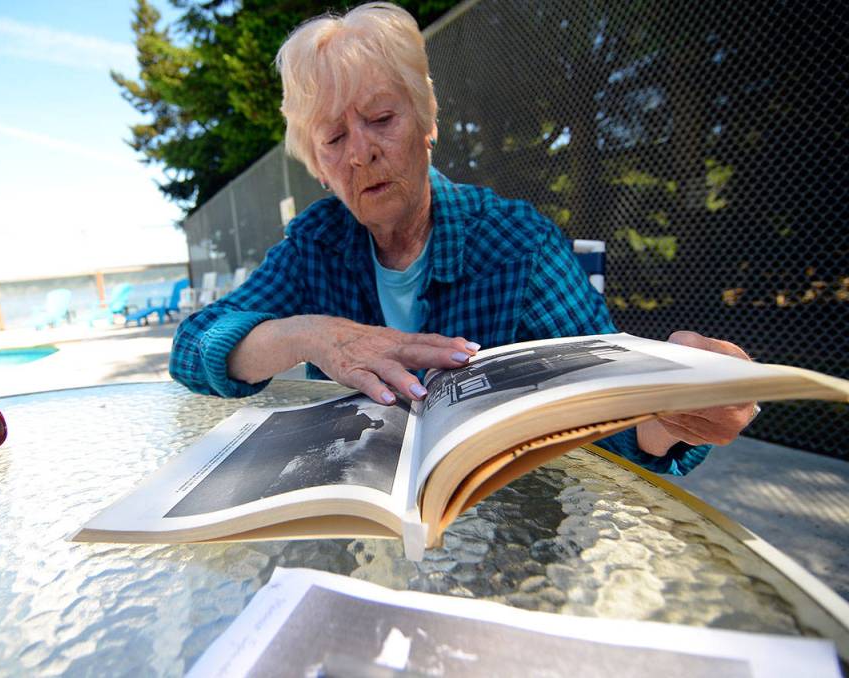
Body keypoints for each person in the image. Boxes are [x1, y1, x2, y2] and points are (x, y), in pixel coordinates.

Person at [169, 2, 756, 475]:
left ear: (428, 123)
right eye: (332, 136)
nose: (362, 151)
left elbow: (612, 418)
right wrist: (312, 335)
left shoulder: (518, 242)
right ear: (318, 167)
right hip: (359, 514)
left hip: (504, 521)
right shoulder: (314, 244)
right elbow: (193, 347)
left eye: (381, 118)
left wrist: (675, 412)